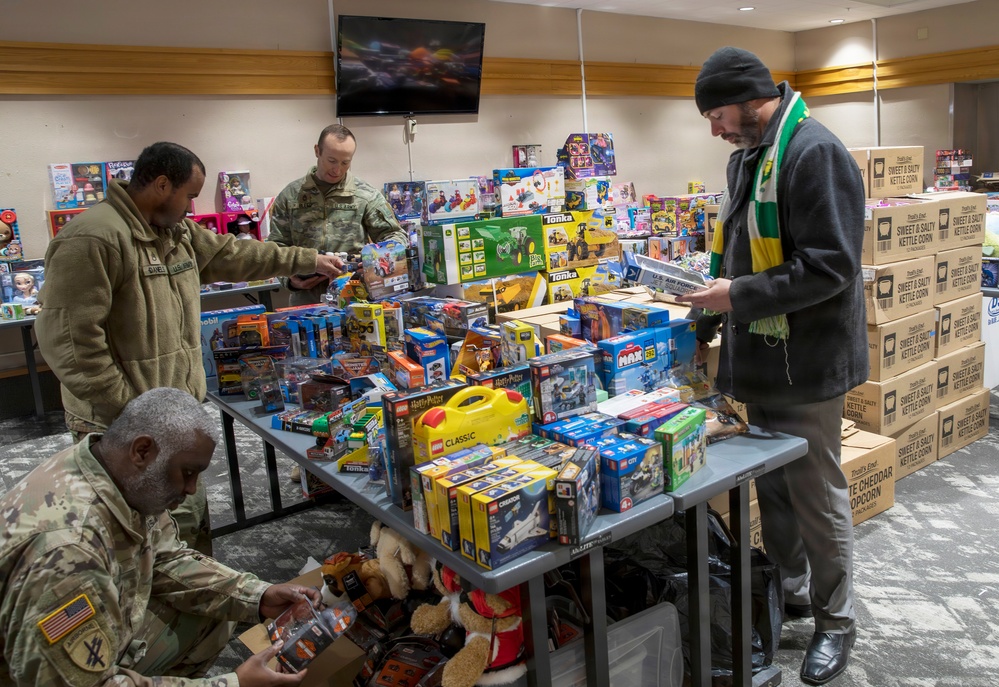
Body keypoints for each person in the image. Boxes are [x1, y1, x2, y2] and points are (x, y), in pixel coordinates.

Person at [34, 141, 344, 555]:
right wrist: (130, 410)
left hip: (172, 416)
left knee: (184, 527)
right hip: (120, 426)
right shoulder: (93, 238)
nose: (191, 207)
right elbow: (70, 344)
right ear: (162, 185)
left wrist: (309, 259)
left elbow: (236, 253)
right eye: (190, 196)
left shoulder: (175, 232)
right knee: (135, 542)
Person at [675, 47, 868, 686]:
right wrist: (706, 315)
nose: (714, 130)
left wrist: (736, 296)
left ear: (747, 98)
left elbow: (831, 265)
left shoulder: (814, 153)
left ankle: (836, 620)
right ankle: (790, 589)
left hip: (807, 360)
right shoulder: (746, 159)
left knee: (815, 495)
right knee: (775, 489)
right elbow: (736, 251)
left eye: (717, 115)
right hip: (758, 355)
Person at [0, 388, 321, 686]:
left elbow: (167, 558)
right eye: (187, 472)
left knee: (220, 609)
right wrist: (233, 684)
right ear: (142, 450)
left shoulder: (115, 471)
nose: (191, 489)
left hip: (84, 621)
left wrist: (259, 596)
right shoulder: (67, 552)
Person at [267, 124, 409, 307]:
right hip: (306, 302)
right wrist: (289, 280)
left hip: (355, 299)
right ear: (317, 151)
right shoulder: (290, 196)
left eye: (345, 162)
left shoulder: (365, 195)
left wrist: (372, 263)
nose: (337, 170)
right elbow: (275, 248)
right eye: (332, 160)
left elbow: (395, 236)